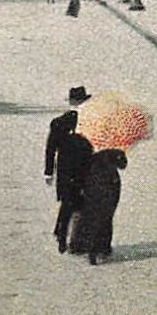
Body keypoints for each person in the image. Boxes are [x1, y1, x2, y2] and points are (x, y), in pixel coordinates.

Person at [44, 87, 94, 253]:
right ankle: (78, 239)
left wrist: (49, 171)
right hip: (85, 167)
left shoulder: (59, 122)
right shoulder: (91, 121)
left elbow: (51, 148)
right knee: (83, 203)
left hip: (66, 169)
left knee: (67, 203)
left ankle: (61, 235)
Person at [73, 147, 128, 264]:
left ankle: (83, 247)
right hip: (109, 189)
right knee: (105, 219)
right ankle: (102, 248)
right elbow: (123, 166)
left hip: (93, 189)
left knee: (89, 218)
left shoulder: (90, 157)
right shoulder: (116, 154)